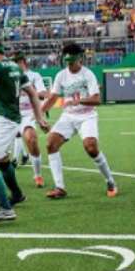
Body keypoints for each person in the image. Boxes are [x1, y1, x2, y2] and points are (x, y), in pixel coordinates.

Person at [0, 37, 49, 222]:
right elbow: (32, 93)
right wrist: (39, 117)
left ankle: (6, 209)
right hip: (13, 118)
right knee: (3, 161)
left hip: (3, 119)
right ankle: (16, 194)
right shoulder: (16, 68)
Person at [40, 43, 117, 199]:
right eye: (67, 61)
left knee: (91, 148)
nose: (69, 64)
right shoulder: (61, 75)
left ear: (79, 59)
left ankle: (110, 181)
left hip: (87, 116)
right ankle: (59, 188)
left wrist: (80, 101)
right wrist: (39, 113)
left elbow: (97, 99)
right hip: (68, 116)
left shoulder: (87, 74)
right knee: (50, 144)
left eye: (72, 61)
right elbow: (53, 98)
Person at [12, 51, 49, 188]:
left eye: (18, 62)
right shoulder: (10, 77)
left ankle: (38, 175)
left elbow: (44, 93)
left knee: (32, 140)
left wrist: (35, 92)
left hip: (28, 115)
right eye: (14, 62)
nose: (16, 65)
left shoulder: (34, 76)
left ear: (24, 62)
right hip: (11, 115)